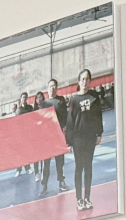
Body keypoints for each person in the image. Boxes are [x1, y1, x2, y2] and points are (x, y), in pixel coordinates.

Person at [65, 69, 107, 211]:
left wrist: (99, 133)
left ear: (90, 81)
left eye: (87, 79)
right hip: (78, 139)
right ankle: (79, 199)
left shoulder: (94, 96)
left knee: (88, 167)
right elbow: (70, 121)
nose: (85, 81)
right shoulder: (74, 100)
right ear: (79, 81)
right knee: (79, 168)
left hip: (90, 138)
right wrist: (69, 141)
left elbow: (98, 115)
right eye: (82, 79)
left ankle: (87, 197)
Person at [36, 79, 68, 194]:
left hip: (58, 136)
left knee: (60, 161)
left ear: (56, 87)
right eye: (50, 86)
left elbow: (65, 117)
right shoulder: (44, 104)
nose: (52, 88)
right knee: (46, 163)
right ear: (47, 88)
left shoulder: (61, 100)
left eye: (54, 86)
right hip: (47, 138)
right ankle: (44, 185)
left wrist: (64, 131)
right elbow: (41, 120)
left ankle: (61, 181)